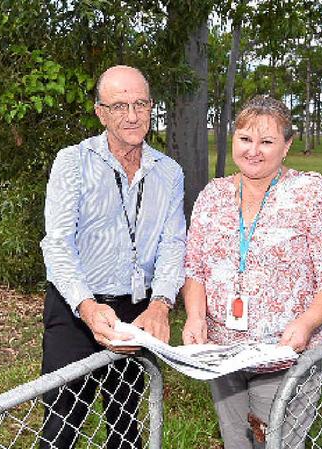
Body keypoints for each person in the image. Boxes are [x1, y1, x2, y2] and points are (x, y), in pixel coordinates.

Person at [182, 95, 322, 449]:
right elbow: (194, 268)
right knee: (238, 443)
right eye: (245, 139)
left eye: (267, 141)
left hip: (284, 354)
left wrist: (306, 324)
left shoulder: (312, 195)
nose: (253, 151)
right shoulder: (212, 196)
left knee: (273, 444)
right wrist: (195, 316)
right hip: (223, 355)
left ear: (287, 145)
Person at [39, 65, 186, 449]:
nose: (133, 116)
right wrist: (86, 308)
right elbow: (57, 244)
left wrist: (161, 304)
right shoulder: (72, 161)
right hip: (76, 307)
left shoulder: (169, 172)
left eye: (140, 103)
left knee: (125, 419)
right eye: (119, 106)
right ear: (100, 112)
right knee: (62, 423)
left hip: (137, 309)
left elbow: (173, 243)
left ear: (152, 106)